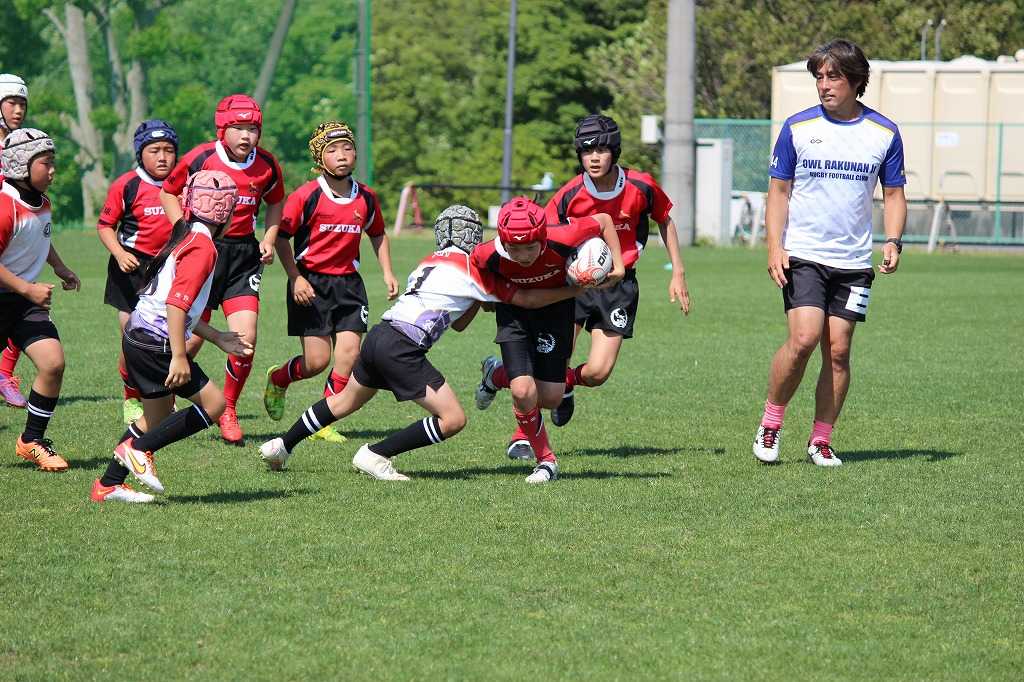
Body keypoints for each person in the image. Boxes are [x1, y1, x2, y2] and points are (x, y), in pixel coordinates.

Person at [258, 205, 589, 481]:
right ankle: (375, 454)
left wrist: (479, 299)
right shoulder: (474, 268)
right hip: (403, 347)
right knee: (453, 419)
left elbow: (459, 321)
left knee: (343, 401)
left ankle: (281, 446)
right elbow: (527, 300)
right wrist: (575, 289)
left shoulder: (428, 261)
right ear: (475, 236)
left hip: (380, 336)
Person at [753, 39, 906, 467]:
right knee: (803, 339)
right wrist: (774, 246)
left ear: (856, 81)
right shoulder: (797, 128)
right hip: (803, 254)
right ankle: (771, 424)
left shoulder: (884, 133)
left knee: (838, 351)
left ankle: (820, 440)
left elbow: (894, 194)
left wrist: (893, 240)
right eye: (819, 77)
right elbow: (778, 192)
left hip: (854, 262)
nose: (824, 85)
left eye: (833, 76)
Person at [91, 170, 252, 503]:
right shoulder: (203, 248)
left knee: (156, 418)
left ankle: (107, 485)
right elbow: (176, 305)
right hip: (158, 343)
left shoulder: (185, 230)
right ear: (229, 214)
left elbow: (179, 305)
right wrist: (179, 356)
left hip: (138, 334)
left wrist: (217, 336)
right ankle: (139, 450)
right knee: (215, 404)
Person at [537, 114, 692, 428]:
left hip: (619, 287)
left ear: (614, 151)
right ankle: (527, 430)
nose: (594, 158)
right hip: (572, 286)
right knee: (554, 360)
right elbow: (546, 233)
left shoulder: (640, 186)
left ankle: (567, 384)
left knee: (598, 373)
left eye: (601, 150)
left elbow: (664, 219)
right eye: (587, 151)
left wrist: (678, 272)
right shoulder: (569, 193)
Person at [159, 94, 285, 445]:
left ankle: (227, 407)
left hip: (243, 257)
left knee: (246, 340)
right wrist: (183, 231)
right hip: (205, 251)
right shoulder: (200, 157)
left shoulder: (267, 164)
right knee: (190, 338)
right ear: (222, 129)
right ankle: (162, 393)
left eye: (253, 129)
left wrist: (269, 238)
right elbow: (168, 192)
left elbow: (276, 201)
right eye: (239, 128)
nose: (246, 136)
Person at [470, 197, 624, 483]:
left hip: (556, 314)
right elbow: (477, 269)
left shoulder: (565, 235)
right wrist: (487, 295)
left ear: (543, 236)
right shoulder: (487, 253)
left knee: (551, 398)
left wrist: (619, 265)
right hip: (515, 314)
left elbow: (603, 220)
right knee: (522, 391)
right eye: (514, 248)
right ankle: (546, 461)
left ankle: (495, 374)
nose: (523, 255)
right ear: (503, 241)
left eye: (530, 247)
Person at [262, 121, 398, 443]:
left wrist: (388, 272)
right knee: (316, 362)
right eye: (333, 150)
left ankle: (323, 420)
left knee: (349, 355)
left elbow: (378, 234)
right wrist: (295, 278)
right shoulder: (306, 195)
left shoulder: (366, 197)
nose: (342, 155)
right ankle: (279, 378)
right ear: (319, 158)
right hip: (310, 285)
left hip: (349, 286)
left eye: (347, 148)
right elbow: (281, 237)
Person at [0, 128, 80, 471]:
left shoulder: (42, 201)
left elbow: (39, 237)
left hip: (23, 302)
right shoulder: (5, 205)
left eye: (52, 162)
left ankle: (32, 440)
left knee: (52, 363)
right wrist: (26, 288)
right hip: (14, 295)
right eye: (45, 163)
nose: (52, 170)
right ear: (21, 164)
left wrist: (59, 267)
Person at [97, 119, 179, 424]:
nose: (163, 157)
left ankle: (164, 396)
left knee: (169, 337)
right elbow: (105, 226)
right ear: (140, 153)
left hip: (168, 267)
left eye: (169, 150)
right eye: (154, 150)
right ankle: (131, 395)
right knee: (133, 336)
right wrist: (120, 254)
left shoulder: (184, 183)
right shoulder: (126, 184)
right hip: (130, 268)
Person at [0, 73, 31, 408]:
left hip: (16, 238)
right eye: (11, 103)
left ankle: (5, 375)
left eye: (22, 103)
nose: (18, 110)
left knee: (24, 307)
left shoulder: (23, 146)